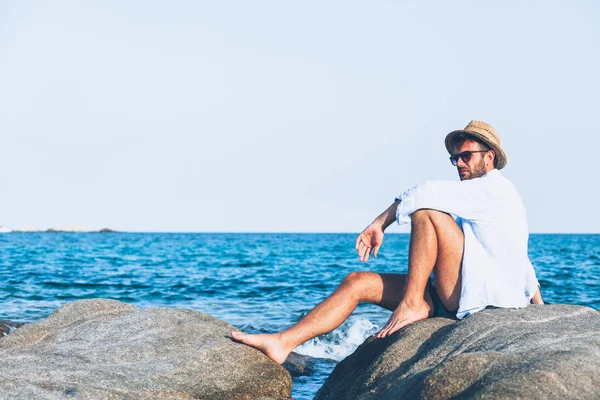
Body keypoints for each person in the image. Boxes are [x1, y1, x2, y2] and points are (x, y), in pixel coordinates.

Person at [232, 120, 543, 364]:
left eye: (466, 156)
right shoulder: (474, 197)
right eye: (455, 157)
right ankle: (282, 342)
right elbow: (519, 256)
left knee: (427, 212)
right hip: (446, 294)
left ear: (489, 158)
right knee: (356, 282)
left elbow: (424, 192)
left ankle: (412, 304)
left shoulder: (494, 190)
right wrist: (539, 305)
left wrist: (379, 224)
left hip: (469, 300)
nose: (459, 163)